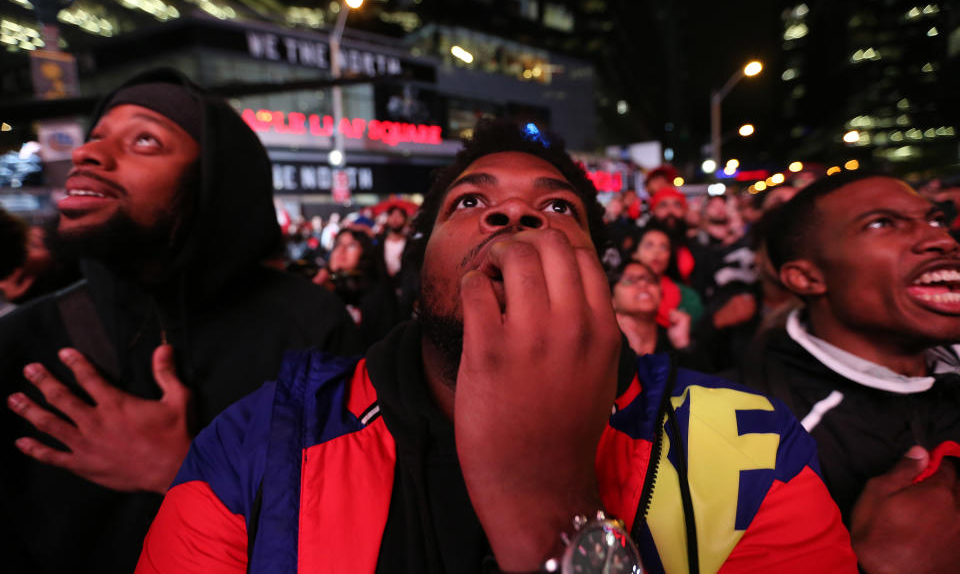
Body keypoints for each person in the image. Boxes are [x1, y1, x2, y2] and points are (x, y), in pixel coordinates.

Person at [136, 119, 855, 574]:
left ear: (596, 272)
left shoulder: (755, 448)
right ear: (418, 277)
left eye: (557, 207)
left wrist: (550, 513)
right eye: (471, 203)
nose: (514, 213)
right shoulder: (255, 445)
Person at [0, 68, 359, 573]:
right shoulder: (21, 341)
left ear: (213, 183)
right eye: (97, 135)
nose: (87, 153)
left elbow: (356, 532)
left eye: (144, 140)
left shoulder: (308, 328)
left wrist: (183, 472)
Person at [741, 171, 960, 567]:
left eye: (936, 220)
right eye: (882, 223)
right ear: (807, 277)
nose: (942, 240)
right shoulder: (759, 436)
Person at [313, 227, 400, 348]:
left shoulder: (378, 293)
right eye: (338, 244)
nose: (341, 250)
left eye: (351, 245)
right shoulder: (319, 286)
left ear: (365, 253)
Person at [611, 259, 689, 354]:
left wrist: (682, 344)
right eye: (629, 281)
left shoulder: (673, 338)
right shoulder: (603, 344)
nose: (643, 284)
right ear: (612, 299)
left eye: (650, 279)